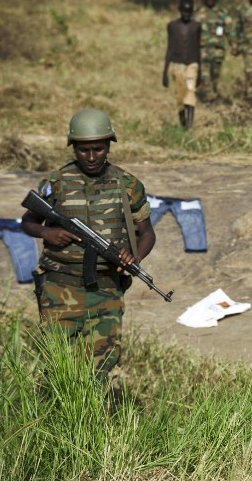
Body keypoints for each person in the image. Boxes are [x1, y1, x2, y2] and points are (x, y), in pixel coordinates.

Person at [21, 109, 156, 386]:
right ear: (73, 147)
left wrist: (135, 256)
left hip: (106, 289)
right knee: (58, 366)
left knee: (100, 367)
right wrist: (48, 232)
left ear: (109, 145)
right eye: (84, 150)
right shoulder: (56, 181)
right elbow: (28, 220)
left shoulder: (127, 184)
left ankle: (91, 421)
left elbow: (147, 233)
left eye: (98, 148)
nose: (92, 156)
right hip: (60, 288)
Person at [163, 0, 201, 129]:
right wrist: (165, 72)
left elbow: (198, 48)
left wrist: (199, 71)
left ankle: (189, 127)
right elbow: (170, 48)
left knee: (191, 92)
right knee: (180, 97)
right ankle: (183, 124)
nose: (186, 14)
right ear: (179, 10)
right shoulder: (173, 26)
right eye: (184, 11)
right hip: (177, 64)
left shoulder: (196, 26)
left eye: (189, 12)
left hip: (192, 63)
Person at [196, 0, 234, 103]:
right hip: (203, 51)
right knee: (205, 76)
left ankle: (213, 94)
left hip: (218, 51)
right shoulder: (198, 14)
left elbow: (229, 31)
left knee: (215, 76)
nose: (210, 0)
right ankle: (209, 99)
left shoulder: (223, 13)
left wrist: (234, 45)